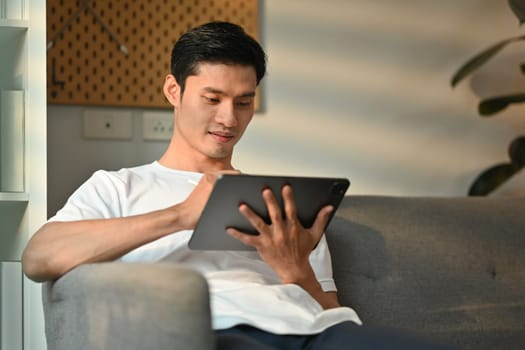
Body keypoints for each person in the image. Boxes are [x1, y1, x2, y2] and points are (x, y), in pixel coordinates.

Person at [23, 21, 454, 350]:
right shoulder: (118, 188)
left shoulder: (282, 201)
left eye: (244, 102)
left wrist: (295, 269)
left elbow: (332, 314)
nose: (229, 119)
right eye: (212, 99)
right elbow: (40, 257)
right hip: (216, 335)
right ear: (174, 90)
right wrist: (181, 216)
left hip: (313, 335)